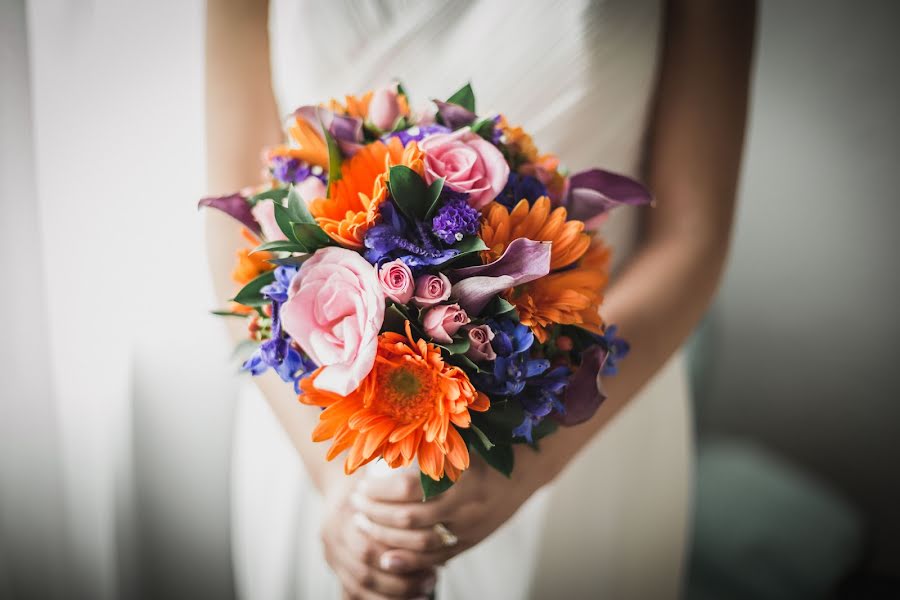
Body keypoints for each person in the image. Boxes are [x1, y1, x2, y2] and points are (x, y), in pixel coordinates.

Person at [205, 1, 755, 598]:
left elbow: (691, 236)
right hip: (317, 425)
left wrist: (530, 466)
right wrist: (341, 489)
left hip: (579, 411)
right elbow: (236, 208)